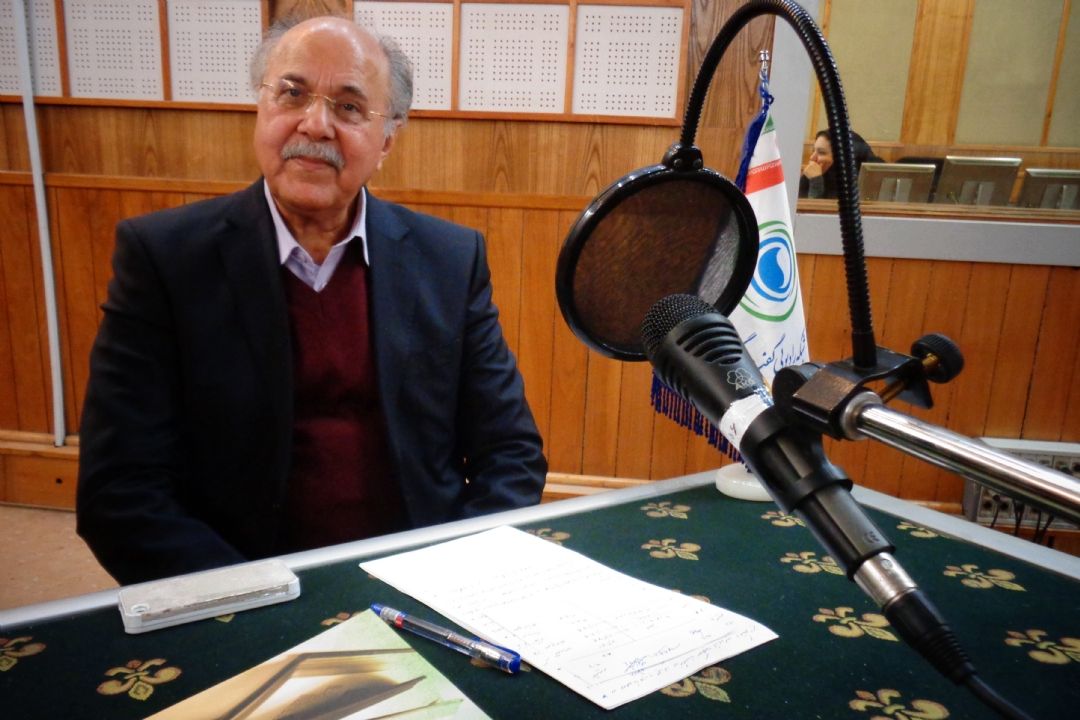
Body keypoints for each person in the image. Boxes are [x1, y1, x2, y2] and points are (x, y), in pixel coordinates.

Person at [76, 15, 547, 585]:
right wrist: (253, 600)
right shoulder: (164, 259)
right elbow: (119, 490)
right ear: (261, 108)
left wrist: (450, 578)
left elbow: (510, 452)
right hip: (241, 586)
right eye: (292, 94)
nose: (316, 124)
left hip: (418, 581)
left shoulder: (450, 259)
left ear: (387, 139)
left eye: (349, 107)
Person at [798, 129, 882, 199]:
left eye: (821, 152)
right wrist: (815, 181)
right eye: (813, 151)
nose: (812, 158)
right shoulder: (811, 175)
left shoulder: (867, 185)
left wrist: (816, 183)